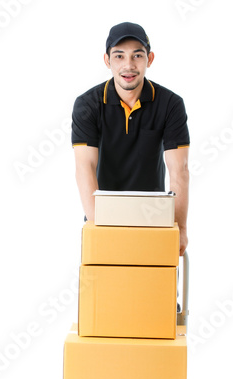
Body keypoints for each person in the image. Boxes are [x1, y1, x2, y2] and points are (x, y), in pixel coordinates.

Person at [71, 22, 190, 255]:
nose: (128, 65)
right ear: (107, 61)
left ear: (150, 59)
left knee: (151, 288)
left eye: (137, 55)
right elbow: (85, 166)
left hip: (154, 218)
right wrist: (98, 228)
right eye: (119, 56)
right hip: (101, 216)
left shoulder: (170, 104)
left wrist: (180, 228)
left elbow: (179, 170)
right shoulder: (87, 104)